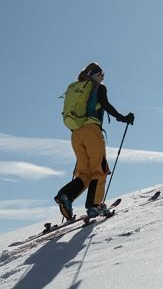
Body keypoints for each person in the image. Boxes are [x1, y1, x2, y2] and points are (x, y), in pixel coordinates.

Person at [54, 62, 134, 220]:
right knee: (99, 168)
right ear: (95, 75)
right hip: (92, 131)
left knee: (86, 172)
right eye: (101, 74)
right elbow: (105, 105)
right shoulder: (98, 88)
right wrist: (123, 118)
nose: (103, 78)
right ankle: (94, 205)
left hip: (76, 135)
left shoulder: (78, 89)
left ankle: (66, 195)